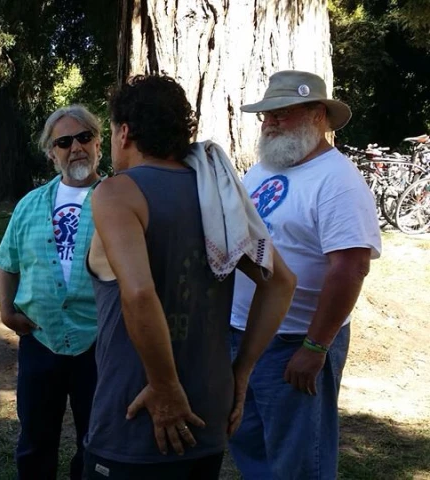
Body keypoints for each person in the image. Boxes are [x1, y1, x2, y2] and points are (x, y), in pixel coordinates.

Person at [82, 74, 297, 479]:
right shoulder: (219, 193)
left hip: (139, 408)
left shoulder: (116, 193)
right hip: (208, 403)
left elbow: (140, 294)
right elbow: (281, 281)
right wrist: (242, 370)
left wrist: (164, 387)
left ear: (124, 132)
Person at [229, 70, 382, 479]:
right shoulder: (262, 169)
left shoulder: (338, 180)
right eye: (267, 115)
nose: (271, 122)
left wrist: (315, 348)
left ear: (318, 115)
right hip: (245, 335)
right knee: (252, 448)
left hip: (294, 343)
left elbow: (351, 266)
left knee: (298, 463)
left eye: (284, 113)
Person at [0, 104, 103, 479]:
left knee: (95, 440)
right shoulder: (29, 205)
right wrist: (7, 312)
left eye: (85, 137)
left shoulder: (117, 201)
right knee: (36, 439)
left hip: (98, 344)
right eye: (64, 141)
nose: (76, 147)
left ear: (98, 143)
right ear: (51, 152)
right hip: (40, 339)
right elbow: (7, 265)